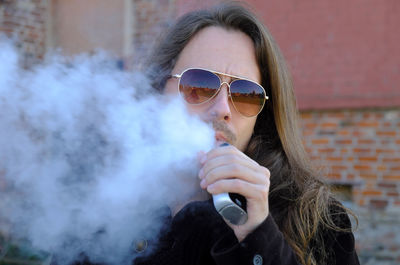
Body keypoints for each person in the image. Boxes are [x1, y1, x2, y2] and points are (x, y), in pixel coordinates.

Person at [75, 2, 359, 265]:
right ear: (160, 91)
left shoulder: (319, 221)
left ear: (261, 116)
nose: (223, 109)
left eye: (245, 94)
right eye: (199, 84)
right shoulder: (106, 207)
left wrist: (259, 235)